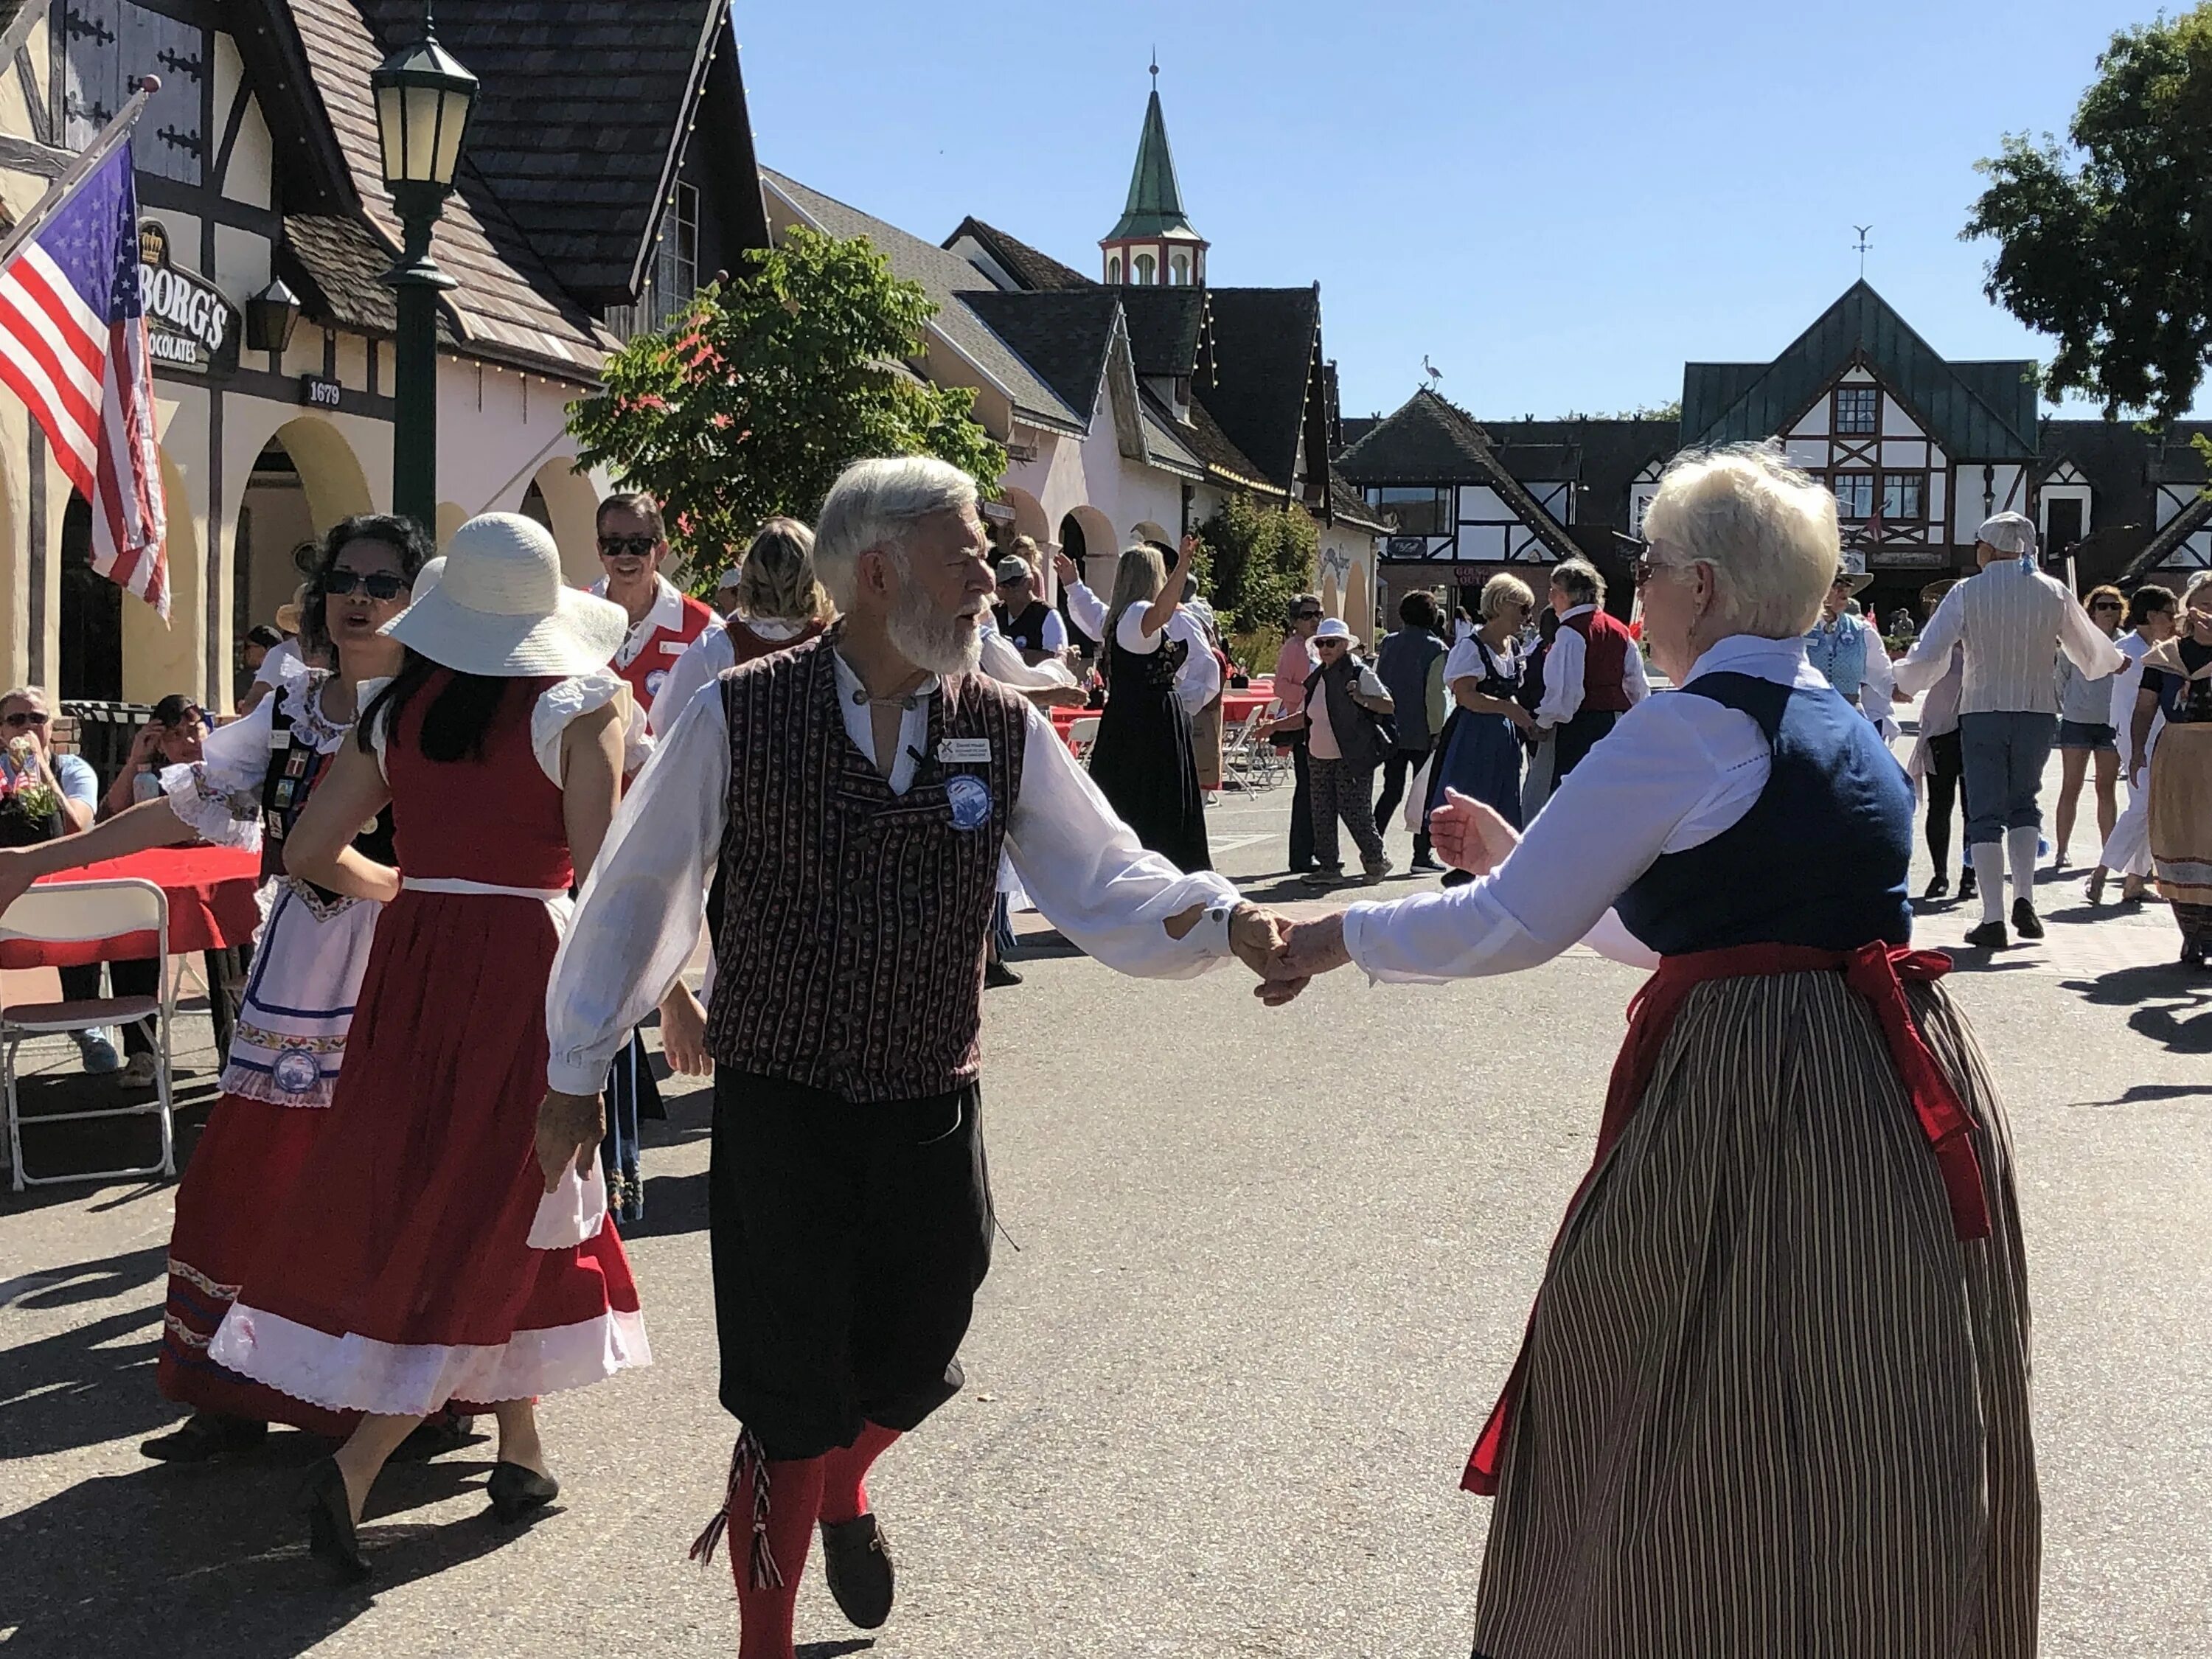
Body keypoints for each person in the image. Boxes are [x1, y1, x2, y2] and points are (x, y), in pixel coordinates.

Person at [1254, 445, 2034, 1659]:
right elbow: (1687, 927)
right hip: (1885, 1092)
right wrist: (1527, 856)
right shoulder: (1835, 719)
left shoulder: (1692, 732)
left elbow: (1513, 933)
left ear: (1706, 589)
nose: (1639, 583)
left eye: (1654, 563)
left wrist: (1329, 936)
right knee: (1865, 1407)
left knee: (1665, 1397)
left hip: (1752, 1093)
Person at [536, 456, 1286, 1659]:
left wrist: (1228, 918)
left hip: (932, 1092)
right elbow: (638, 888)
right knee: (786, 1400)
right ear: (880, 573)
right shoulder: (741, 710)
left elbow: (1106, 878)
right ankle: (766, 1633)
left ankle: (846, 1481)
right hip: (782, 1103)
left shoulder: (998, 725)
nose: (995, 574)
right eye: (969, 551)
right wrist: (578, 1067)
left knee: (921, 1341)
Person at [204, 513, 651, 1582]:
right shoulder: (580, 705)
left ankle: (521, 1447)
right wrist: (653, 999)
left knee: (459, 1189)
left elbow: (311, 849)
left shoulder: (402, 706)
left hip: (414, 962)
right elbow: (606, 880)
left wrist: (410, 887)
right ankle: (361, 1461)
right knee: (500, 1200)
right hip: (526, 962)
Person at [0, 516, 440, 1459]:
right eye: (346, 577)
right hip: (297, 970)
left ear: (416, 598)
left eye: (384, 579)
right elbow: (183, 803)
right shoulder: (288, 708)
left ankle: (393, 1404)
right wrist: (37, 859)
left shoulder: (436, 709)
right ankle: (232, 1388)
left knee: (377, 1183)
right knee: (241, 1182)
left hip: (397, 965)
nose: (360, 594)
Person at [1895, 512, 2125, 948]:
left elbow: (1931, 652)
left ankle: (1993, 916)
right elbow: (2088, 649)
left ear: (1988, 548)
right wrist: (2112, 661)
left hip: (1982, 708)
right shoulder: (2052, 590)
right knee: (2025, 804)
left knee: (1984, 813)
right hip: (2038, 710)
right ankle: (2025, 898)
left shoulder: (1967, 591)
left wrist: (1903, 680)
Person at [0, 686, 127, 1074]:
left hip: (61, 891)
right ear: (1, 732)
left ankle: (85, 1023)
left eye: (36, 718)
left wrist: (38, 769)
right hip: (7, 891)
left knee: (85, 909)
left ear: (51, 727)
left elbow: (79, 829)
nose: (27, 727)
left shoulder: (72, 770)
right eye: (16, 720)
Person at [1083, 543, 1212, 872]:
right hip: (1150, 723)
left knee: (1129, 799)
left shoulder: (1118, 617)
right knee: (1156, 804)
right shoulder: (1139, 612)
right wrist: (1183, 565)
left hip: (1131, 718)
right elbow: (1162, 612)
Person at [651, 518, 834, 735]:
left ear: (749, 578)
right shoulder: (837, 643)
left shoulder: (716, 646)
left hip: (735, 768)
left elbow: (667, 723)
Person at [1426, 574, 1539, 888]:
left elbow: (1512, 694)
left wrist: (1527, 721)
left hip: (1503, 735)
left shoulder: (1512, 646)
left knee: (1502, 793)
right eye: (1523, 609)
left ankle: (1496, 862)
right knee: (1474, 793)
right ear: (1502, 605)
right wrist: (1510, 711)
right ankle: (1464, 865)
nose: (1527, 618)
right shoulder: (1471, 646)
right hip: (1474, 733)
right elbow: (1466, 696)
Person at [2134, 570, 2212, 966]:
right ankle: (2190, 933)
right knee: (2178, 837)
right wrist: (2135, 750)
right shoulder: (2166, 657)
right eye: (2205, 603)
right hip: (2177, 752)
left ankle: (2209, 932)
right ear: (2189, 607)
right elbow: (2146, 706)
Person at [1282, 617, 1395, 886]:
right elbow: (1308, 715)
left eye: (1331, 643)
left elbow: (1388, 705)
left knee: (1355, 812)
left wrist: (1361, 699)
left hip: (1351, 755)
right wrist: (1275, 727)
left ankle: (1377, 860)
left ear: (1345, 644)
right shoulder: (1319, 675)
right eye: (1321, 643)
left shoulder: (1359, 672)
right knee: (1321, 811)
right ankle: (1329, 867)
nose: (1325, 648)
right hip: (1318, 754)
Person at [594, 489, 722, 712]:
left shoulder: (704, 627)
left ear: (661, 550)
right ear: (599, 550)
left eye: (638, 544)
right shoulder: (570, 614)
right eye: (613, 543)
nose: (625, 555)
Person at [2093, 584, 2180, 904]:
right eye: (2169, 614)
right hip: (2134, 736)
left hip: (2165, 735)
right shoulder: (2129, 651)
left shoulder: (2163, 647)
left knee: (2151, 808)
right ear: (2152, 615)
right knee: (2143, 805)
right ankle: (2102, 870)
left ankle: (2134, 881)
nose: (2174, 621)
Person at [1535, 557, 1648, 785]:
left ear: (1570, 596)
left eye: (1555, 591)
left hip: (1581, 727)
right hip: (1616, 724)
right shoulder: (1619, 630)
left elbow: (1567, 695)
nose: (1550, 598)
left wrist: (1543, 723)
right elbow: (1637, 686)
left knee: (1573, 790)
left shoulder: (1570, 632)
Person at [1371, 592, 1450, 871]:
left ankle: (1372, 844)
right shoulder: (1436, 648)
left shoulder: (1389, 643)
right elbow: (1435, 695)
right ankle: (1421, 855)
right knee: (1424, 794)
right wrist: (1438, 730)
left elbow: (1378, 681)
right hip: (1422, 730)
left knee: (1391, 789)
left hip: (1392, 727)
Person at [2051, 584, 2126, 869]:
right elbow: (2060, 680)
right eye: (2103, 606)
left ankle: (2109, 853)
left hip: (2111, 723)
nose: (2109, 611)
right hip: (2077, 722)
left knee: (2106, 789)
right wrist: (2069, 705)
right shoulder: (2076, 642)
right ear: (2091, 611)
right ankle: (2062, 850)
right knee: (2071, 786)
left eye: (2114, 606)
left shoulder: (2125, 643)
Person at [1805, 562, 1899, 727]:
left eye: (1848, 584)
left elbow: (1881, 674)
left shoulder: (1862, 630)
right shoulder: (1798, 629)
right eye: (1836, 583)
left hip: (1849, 721)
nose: (1844, 590)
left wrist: (1898, 690)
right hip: (1806, 719)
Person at [1269, 594, 1324, 872]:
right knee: (1307, 789)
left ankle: (1314, 849)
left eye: (1318, 614)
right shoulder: (1294, 648)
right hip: (1301, 723)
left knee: (1317, 789)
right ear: (1295, 621)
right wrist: (1309, 694)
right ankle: (1301, 855)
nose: (1314, 620)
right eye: (1307, 615)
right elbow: (1280, 686)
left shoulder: (1315, 646)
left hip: (1317, 723)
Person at [99, 695, 207, 821]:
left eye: (194, 730)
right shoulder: (151, 783)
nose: (189, 740)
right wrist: (137, 759)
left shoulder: (226, 769)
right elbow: (108, 816)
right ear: (160, 745)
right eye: (175, 734)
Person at [990, 554, 1067, 667]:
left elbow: (1056, 661)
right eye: (1004, 587)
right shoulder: (994, 614)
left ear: (1030, 583)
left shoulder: (1047, 615)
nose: (1009, 592)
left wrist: (1017, 654)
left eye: (1014, 585)